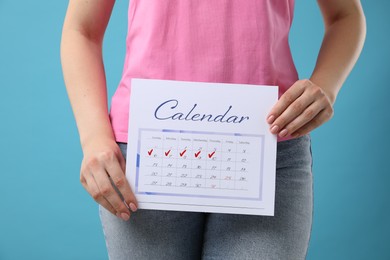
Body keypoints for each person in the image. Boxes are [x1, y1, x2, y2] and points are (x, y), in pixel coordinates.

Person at [61, 0, 366, 259]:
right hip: (147, 155)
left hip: (266, 148)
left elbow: (346, 15)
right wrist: (93, 138)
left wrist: (326, 85)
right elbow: (81, 30)